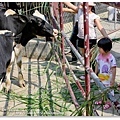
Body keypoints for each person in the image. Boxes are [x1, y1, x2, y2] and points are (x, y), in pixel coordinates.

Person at [63, 2, 109, 80]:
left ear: (90, 7)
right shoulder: (80, 11)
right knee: (85, 57)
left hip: (90, 39)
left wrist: (106, 37)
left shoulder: (94, 16)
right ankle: (88, 74)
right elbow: (70, 5)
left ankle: (95, 75)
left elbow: (99, 26)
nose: (82, 6)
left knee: (92, 58)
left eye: (84, 5)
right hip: (81, 38)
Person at [94, 37, 116, 110]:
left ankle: (108, 102)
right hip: (101, 77)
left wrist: (112, 80)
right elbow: (97, 64)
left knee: (108, 90)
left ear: (106, 49)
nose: (99, 49)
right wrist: (95, 74)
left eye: (100, 48)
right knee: (101, 89)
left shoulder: (111, 58)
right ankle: (103, 100)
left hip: (108, 78)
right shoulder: (99, 56)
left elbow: (113, 69)